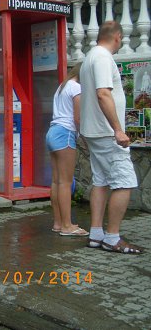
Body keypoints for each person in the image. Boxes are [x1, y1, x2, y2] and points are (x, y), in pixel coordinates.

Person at [80, 20, 144, 254]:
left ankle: (96, 235)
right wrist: (118, 129)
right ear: (117, 37)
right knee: (124, 181)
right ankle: (112, 238)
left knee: (101, 181)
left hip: (95, 131)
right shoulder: (102, 58)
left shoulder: (90, 57)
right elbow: (103, 94)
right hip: (107, 133)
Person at [46, 63, 88, 236]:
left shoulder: (62, 86)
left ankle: (58, 223)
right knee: (65, 182)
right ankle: (67, 226)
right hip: (66, 134)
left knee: (56, 181)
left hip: (53, 132)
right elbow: (78, 118)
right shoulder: (77, 88)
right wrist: (85, 138)